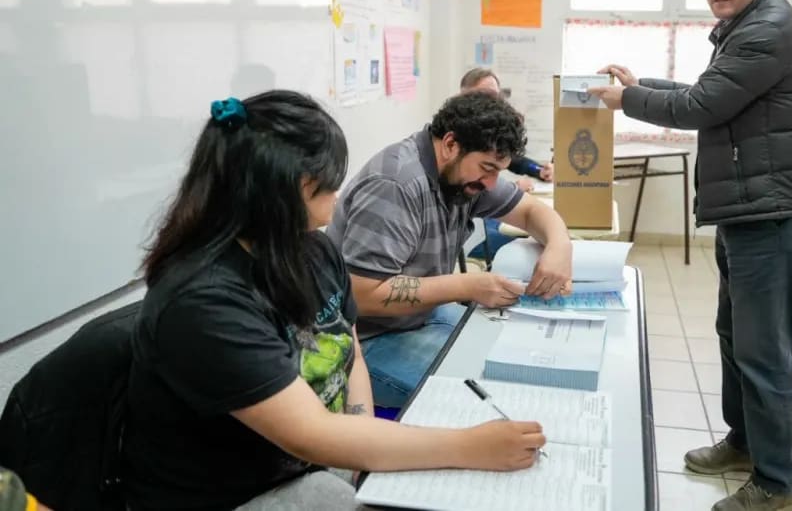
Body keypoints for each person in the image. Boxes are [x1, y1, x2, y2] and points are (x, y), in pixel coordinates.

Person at [122, 91, 546, 510]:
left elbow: (350, 350)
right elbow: (311, 433)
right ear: (291, 188)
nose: (340, 199)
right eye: (330, 186)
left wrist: (361, 433)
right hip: (241, 488)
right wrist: (469, 448)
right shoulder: (205, 302)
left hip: (310, 457)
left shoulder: (313, 251)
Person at [589, 0, 792, 511]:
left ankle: (778, 485)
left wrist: (627, 101)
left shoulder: (767, 31)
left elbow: (700, 107)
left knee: (764, 349)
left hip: (771, 211)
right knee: (735, 337)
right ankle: (746, 443)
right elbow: (709, 92)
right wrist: (644, 87)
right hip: (750, 208)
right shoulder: (746, 29)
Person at [328, 91, 573, 409]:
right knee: (496, 395)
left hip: (417, 317)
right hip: (365, 340)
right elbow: (362, 294)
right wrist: (468, 285)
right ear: (450, 144)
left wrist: (559, 243)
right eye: (487, 168)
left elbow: (529, 211)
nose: (491, 183)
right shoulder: (396, 185)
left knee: (515, 359)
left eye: (499, 171)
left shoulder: (464, 174)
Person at [459, 67, 554, 261]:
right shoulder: (460, 141)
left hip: (490, 220)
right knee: (532, 247)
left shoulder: (488, 132)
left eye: (496, 97)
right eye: (484, 97)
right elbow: (465, 192)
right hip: (475, 232)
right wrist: (514, 187)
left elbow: (513, 160)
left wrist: (539, 170)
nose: (493, 104)